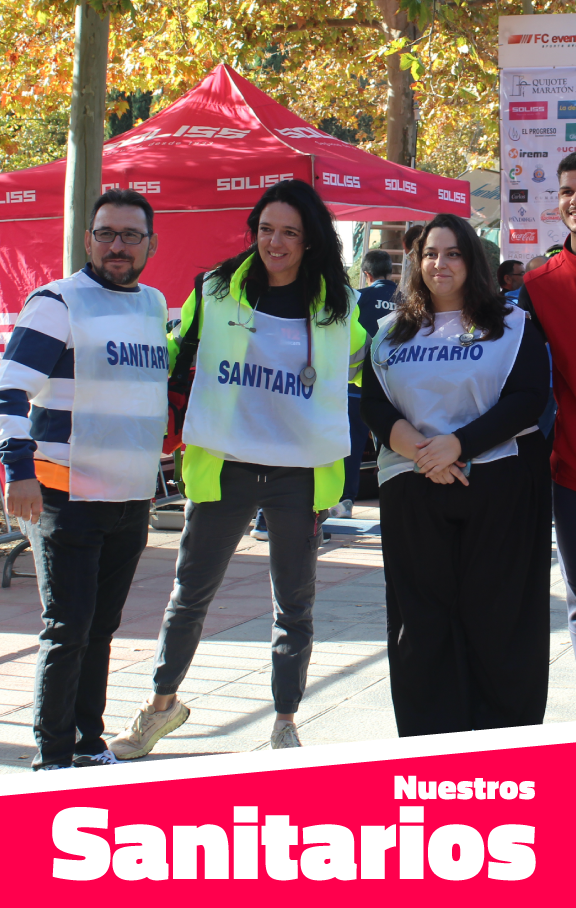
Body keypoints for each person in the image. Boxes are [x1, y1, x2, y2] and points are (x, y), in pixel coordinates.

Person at [108, 179, 368, 756]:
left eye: (289, 232)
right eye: (266, 229)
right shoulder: (216, 289)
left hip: (299, 473)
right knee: (189, 594)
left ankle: (284, 723)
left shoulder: (336, 305)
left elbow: (361, 362)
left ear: (310, 240)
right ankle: (160, 706)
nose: (275, 242)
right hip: (224, 465)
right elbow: (176, 350)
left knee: (294, 604)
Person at [361, 213, 551, 737]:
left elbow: (528, 397)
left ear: (472, 261)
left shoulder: (512, 324)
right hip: (414, 487)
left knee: (500, 617)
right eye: (429, 254)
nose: (439, 264)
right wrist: (426, 454)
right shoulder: (390, 333)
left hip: (500, 485)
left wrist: (460, 445)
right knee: (422, 621)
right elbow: (375, 405)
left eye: (452, 253)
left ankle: (504, 742)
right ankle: (431, 742)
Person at [0, 189, 167, 769]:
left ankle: (88, 745)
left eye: (130, 235)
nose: (117, 246)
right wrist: (18, 470)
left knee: (100, 628)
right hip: (64, 492)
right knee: (68, 627)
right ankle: (53, 757)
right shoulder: (57, 303)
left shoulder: (153, 304)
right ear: (88, 240)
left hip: (130, 494)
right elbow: (8, 390)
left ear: (150, 243)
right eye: (106, 234)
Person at [519, 152, 576, 658]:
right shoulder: (538, 288)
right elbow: (519, 385)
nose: (573, 200)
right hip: (571, 473)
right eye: (567, 191)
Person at [330, 249, 394, 519]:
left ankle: (345, 501)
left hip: (358, 385)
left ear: (366, 274)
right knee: (393, 445)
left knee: (352, 446)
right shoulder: (409, 299)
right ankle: (394, 500)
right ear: (390, 271)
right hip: (394, 386)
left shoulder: (359, 298)